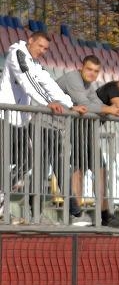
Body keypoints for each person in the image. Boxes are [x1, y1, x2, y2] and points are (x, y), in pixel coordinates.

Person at [0, 31, 86, 218]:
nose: (42, 51)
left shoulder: (35, 63)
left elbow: (47, 83)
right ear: (30, 41)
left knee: (27, 159)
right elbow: (27, 82)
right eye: (40, 46)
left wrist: (70, 104)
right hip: (4, 117)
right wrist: (46, 102)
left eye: (46, 49)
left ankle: (1, 195)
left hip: (20, 120)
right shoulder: (18, 54)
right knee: (7, 160)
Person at [56, 54, 119, 226]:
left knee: (98, 168)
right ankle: (76, 216)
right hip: (56, 127)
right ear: (81, 67)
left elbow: (95, 103)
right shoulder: (73, 78)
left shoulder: (88, 84)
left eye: (96, 71)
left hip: (79, 129)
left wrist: (109, 109)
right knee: (77, 168)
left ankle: (103, 214)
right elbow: (84, 104)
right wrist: (109, 110)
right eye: (89, 69)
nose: (92, 74)